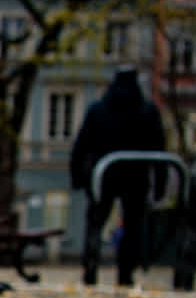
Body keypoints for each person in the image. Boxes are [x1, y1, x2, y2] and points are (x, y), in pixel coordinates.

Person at [70, 67, 166, 286]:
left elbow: (81, 146)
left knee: (96, 223)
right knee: (132, 227)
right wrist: (160, 182)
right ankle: (125, 273)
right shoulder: (148, 110)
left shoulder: (98, 109)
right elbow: (159, 147)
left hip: (104, 176)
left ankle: (91, 268)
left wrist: (78, 176)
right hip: (135, 176)